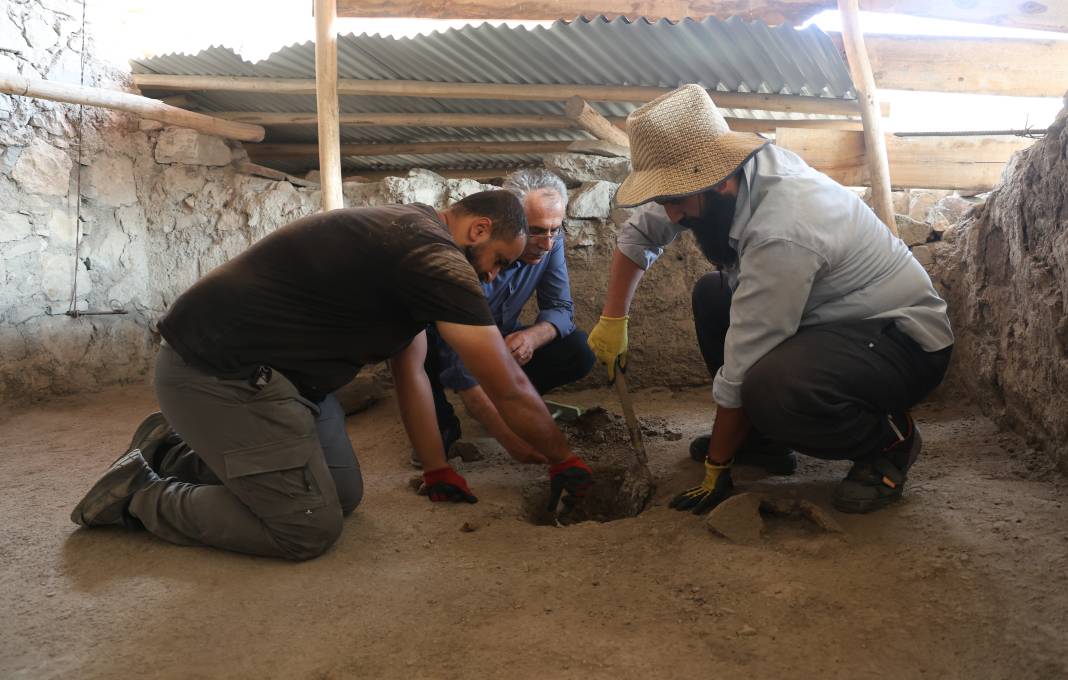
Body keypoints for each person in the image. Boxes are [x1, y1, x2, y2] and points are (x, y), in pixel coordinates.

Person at [71, 191, 593, 560]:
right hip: (220, 372)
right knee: (305, 529)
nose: (495, 276)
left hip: (288, 384)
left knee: (342, 495)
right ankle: (140, 494)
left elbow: (410, 372)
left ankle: (171, 450)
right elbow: (504, 382)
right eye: (498, 260)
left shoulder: (413, 240)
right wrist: (561, 457)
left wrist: (436, 468)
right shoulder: (432, 256)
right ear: (478, 229)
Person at [587, 84, 954, 515]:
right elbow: (639, 234)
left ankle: (889, 443)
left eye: (676, 201)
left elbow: (744, 360)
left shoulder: (784, 225)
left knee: (771, 387)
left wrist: (716, 468)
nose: (671, 215)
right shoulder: (715, 179)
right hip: (831, 323)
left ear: (718, 181)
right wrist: (614, 319)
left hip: (900, 341)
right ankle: (762, 441)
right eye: (663, 200)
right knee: (712, 294)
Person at [416, 168, 596, 467]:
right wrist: (512, 442)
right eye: (536, 230)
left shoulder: (550, 245)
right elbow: (460, 355)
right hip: (446, 343)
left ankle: (510, 404)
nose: (547, 243)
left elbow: (561, 308)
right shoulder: (468, 253)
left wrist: (532, 337)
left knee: (577, 349)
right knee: (419, 346)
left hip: (498, 342)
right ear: (509, 222)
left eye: (555, 229)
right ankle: (440, 422)